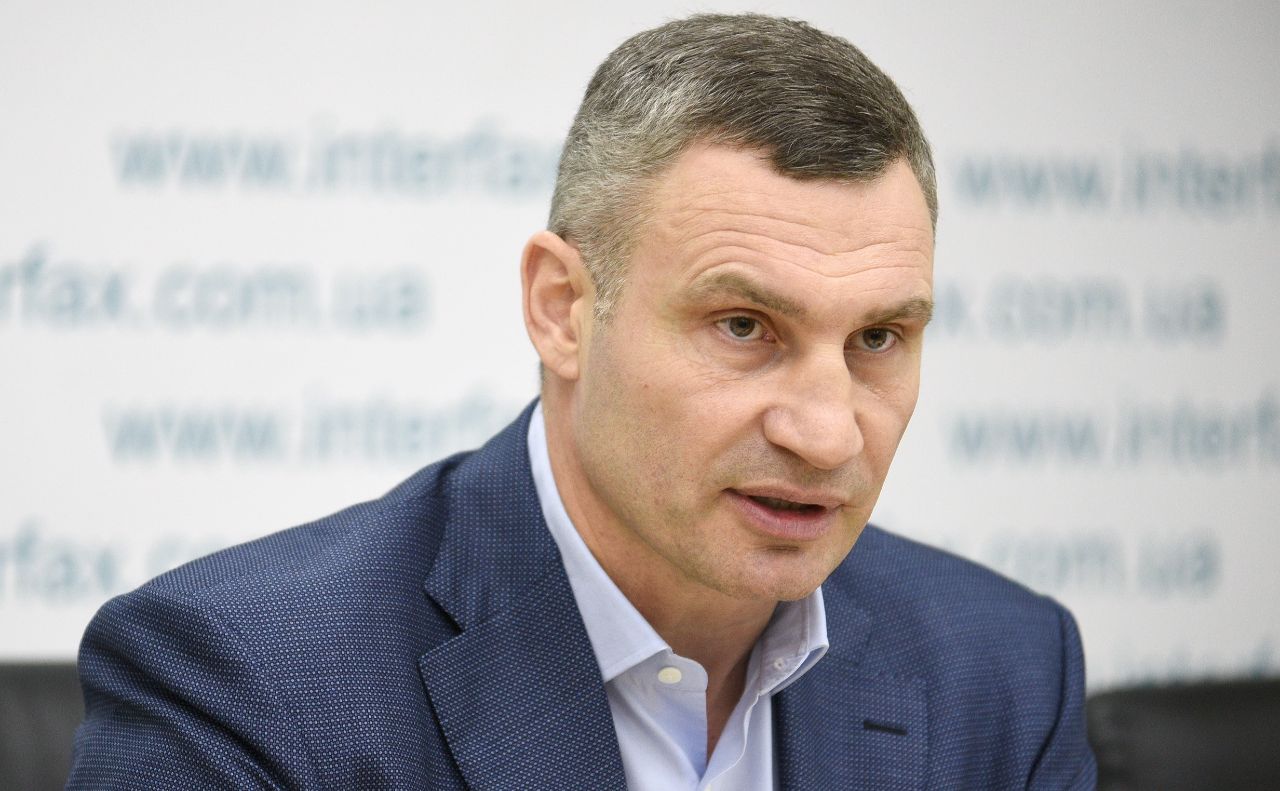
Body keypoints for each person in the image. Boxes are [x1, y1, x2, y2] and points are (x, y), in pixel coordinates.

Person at [68, 13, 1096, 790]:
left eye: (876, 338)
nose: (826, 433)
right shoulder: (245, 685)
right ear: (562, 308)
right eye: (743, 326)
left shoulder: (1005, 673)